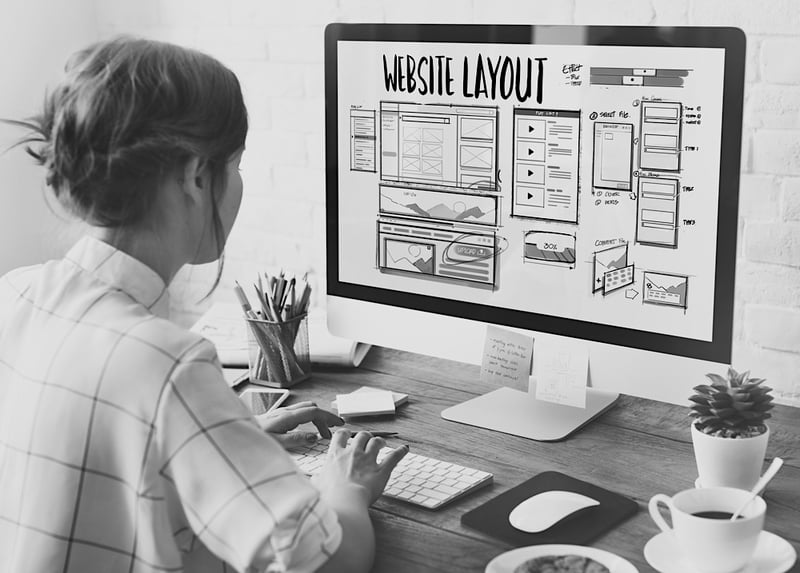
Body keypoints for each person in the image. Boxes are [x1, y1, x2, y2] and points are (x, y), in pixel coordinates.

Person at [0, 37, 408, 573]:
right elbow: (330, 561)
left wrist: (221, 441)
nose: (237, 184)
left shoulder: (14, 294)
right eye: (235, 165)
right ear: (195, 176)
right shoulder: (168, 364)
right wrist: (344, 489)